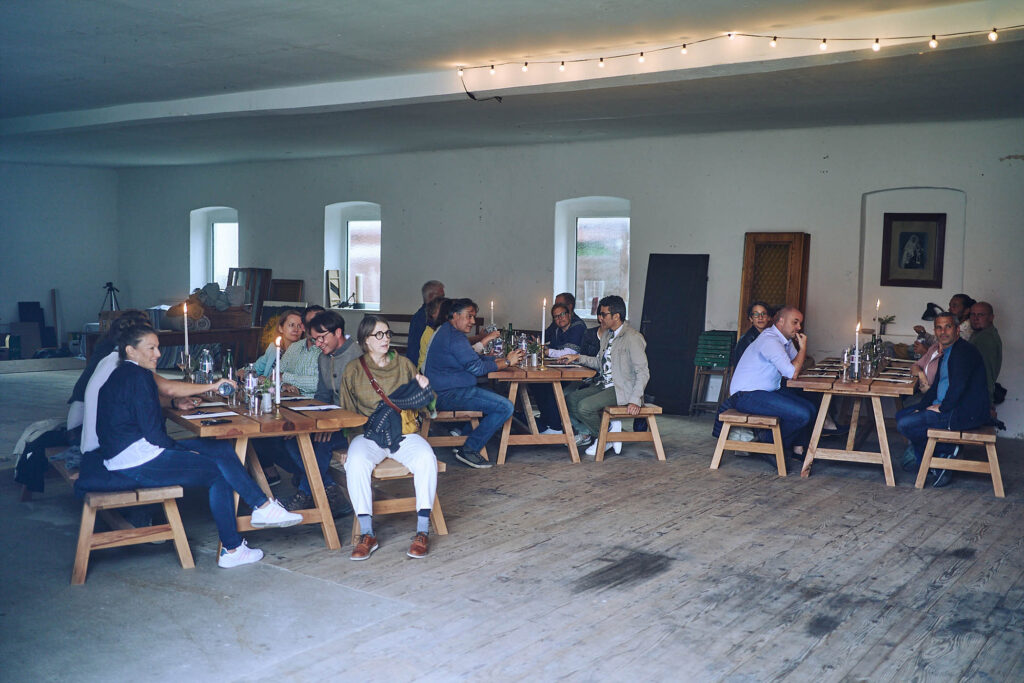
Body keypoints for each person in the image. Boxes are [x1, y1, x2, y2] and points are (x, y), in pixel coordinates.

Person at [96, 323, 302, 567]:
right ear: (131, 350)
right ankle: (233, 548)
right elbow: (155, 436)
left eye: (158, 347)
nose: (158, 354)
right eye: (151, 348)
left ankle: (262, 506)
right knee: (217, 473)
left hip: (127, 451)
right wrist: (188, 452)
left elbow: (140, 413)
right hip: (135, 460)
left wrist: (174, 406)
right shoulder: (139, 378)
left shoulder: (126, 373)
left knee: (220, 448)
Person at [337, 316, 439, 560]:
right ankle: (367, 533)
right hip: (368, 435)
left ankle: (422, 530)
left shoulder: (404, 364)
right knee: (357, 462)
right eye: (378, 335)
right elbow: (347, 411)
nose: (385, 339)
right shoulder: (353, 369)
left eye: (387, 333)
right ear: (365, 341)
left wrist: (426, 390)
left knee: (427, 458)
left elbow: (428, 405)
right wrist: (347, 445)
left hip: (403, 432)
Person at [424, 298, 524, 468]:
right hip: (446, 394)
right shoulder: (454, 337)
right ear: (455, 315)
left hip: (443, 391)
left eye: (473, 317)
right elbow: (477, 369)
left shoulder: (449, 332)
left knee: (493, 397)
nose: (473, 321)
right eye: (469, 316)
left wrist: (492, 359)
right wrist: (507, 362)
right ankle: (469, 449)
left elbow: (470, 359)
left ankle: (464, 439)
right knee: (505, 407)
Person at [896, 312, 990, 487]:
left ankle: (944, 453)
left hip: (961, 412)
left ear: (957, 329)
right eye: (939, 327)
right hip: (946, 406)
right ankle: (941, 456)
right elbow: (938, 384)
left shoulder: (963, 351)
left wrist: (943, 408)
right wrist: (923, 406)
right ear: (935, 331)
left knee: (905, 424)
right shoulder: (946, 351)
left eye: (948, 326)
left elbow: (959, 385)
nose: (943, 331)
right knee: (902, 415)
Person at [278, 310, 358, 514]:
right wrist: (316, 421)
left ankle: (305, 494)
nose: (318, 344)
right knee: (292, 439)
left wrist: (332, 425)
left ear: (338, 332)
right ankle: (329, 490)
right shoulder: (324, 358)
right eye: (314, 340)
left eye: (322, 338)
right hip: (332, 421)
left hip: (356, 425)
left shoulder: (357, 357)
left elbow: (359, 405)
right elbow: (322, 397)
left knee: (320, 444)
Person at [560, 295, 650, 457]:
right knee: (570, 400)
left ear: (616, 316)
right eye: (599, 314)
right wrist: (578, 358)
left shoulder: (633, 338)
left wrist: (635, 400)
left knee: (584, 407)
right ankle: (606, 433)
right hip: (604, 384)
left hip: (622, 388)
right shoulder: (608, 335)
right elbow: (601, 363)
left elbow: (642, 372)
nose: (600, 318)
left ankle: (605, 437)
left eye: (603, 314)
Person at [720, 306, 816, 459]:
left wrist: (798, 359)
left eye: (800, 323)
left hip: (766, 392)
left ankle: (781, 447)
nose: (799, 327)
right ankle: (769, 445)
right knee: (802, 414)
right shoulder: (770, 340)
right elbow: (792, 372)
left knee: (811, 409)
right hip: (746, 395)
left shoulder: (785, 340)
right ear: (781, 321)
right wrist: (803, 348)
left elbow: (797, 366)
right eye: (795, 322)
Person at [533, 301, 588, 434]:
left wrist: (546, 351)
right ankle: (547, 420)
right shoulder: (558, 330)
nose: (560, 318)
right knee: (535, 384)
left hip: (577, 374)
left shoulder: (577, 327)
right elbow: (552, 347)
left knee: (550, 386)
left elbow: (569, 353)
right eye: (556, 317)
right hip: (560, 370)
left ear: (569, 314)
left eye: (562, 314)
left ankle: (556, 426)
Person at [278, 306, 324, 397]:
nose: (319, 327)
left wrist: (285, 377)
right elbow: (275, 376)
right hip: (290, 402)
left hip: (316, 405)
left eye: (322, 323)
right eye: (313, 323)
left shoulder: (327, 349)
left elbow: (320, 383)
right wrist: (284, 386)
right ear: (303, 327)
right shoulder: (294, 347)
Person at [968, 301, 1001, 407]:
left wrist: (988, 403)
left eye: (981, 315)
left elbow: (987, 372)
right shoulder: (979, 333)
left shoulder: (985, 338)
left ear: (991, 317)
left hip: (977, 399)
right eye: (973, 314)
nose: (975, 318)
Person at [406, 280, 445, 367]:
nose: (444, 300)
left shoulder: (426, 315)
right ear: (431, 296)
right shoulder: (424, 318)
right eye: (441, 297)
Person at [732, 301, 771, 366]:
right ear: (751, 319)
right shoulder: (746, 340)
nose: (760, 317)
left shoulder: (769, 335)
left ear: (769, 318)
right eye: (756, 314)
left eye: (763, 314)